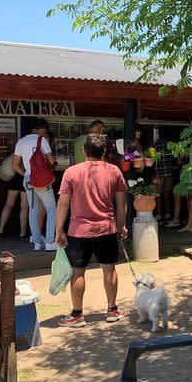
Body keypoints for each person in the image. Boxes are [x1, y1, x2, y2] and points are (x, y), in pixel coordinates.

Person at [54, 134, 128, 328]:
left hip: (79, 231)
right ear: (104, 151)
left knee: (78, 272)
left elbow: (62, 204)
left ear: (84, 150)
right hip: (106, 228)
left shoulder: (71, 172)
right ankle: (112, 310)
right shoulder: (114, 171)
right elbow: (121, 204)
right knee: (109, 269)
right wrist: (121, 226)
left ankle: (77, 315)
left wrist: (59, 230)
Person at [12, 118, 57, 251]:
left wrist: (27, 174)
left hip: (28, 180)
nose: (45, 133)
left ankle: (37, 242)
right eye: (45, 130)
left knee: (33, 210)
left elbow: (15, 165)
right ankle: (49, 241)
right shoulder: (41, 140)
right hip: (42, 181)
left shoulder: (20, 142)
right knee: (51, 209)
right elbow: (51, 161)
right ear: (41, 129)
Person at [0, 172, 29, 237]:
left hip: (14, 176)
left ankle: (1, 229)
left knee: (9, 204)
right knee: (24, 206)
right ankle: (22, 232)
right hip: (26, 177)